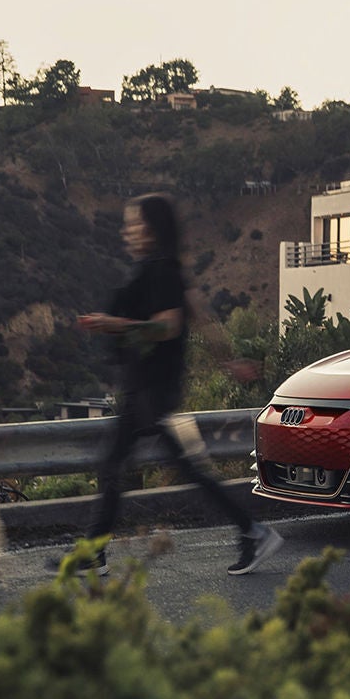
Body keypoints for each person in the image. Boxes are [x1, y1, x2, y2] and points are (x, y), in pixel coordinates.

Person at [53, 193, 282, 576]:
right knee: (116, 466)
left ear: (153, 228)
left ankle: (254, 530)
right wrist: (229, 361)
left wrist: (113, 324)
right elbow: (204, 319)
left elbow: (169, 326)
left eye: (135, 223)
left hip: (152, 389)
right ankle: (94, 552)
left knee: (169, 469)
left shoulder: (161, 271)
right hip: (142, 386)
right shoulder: (165, 269)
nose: (128, 231)